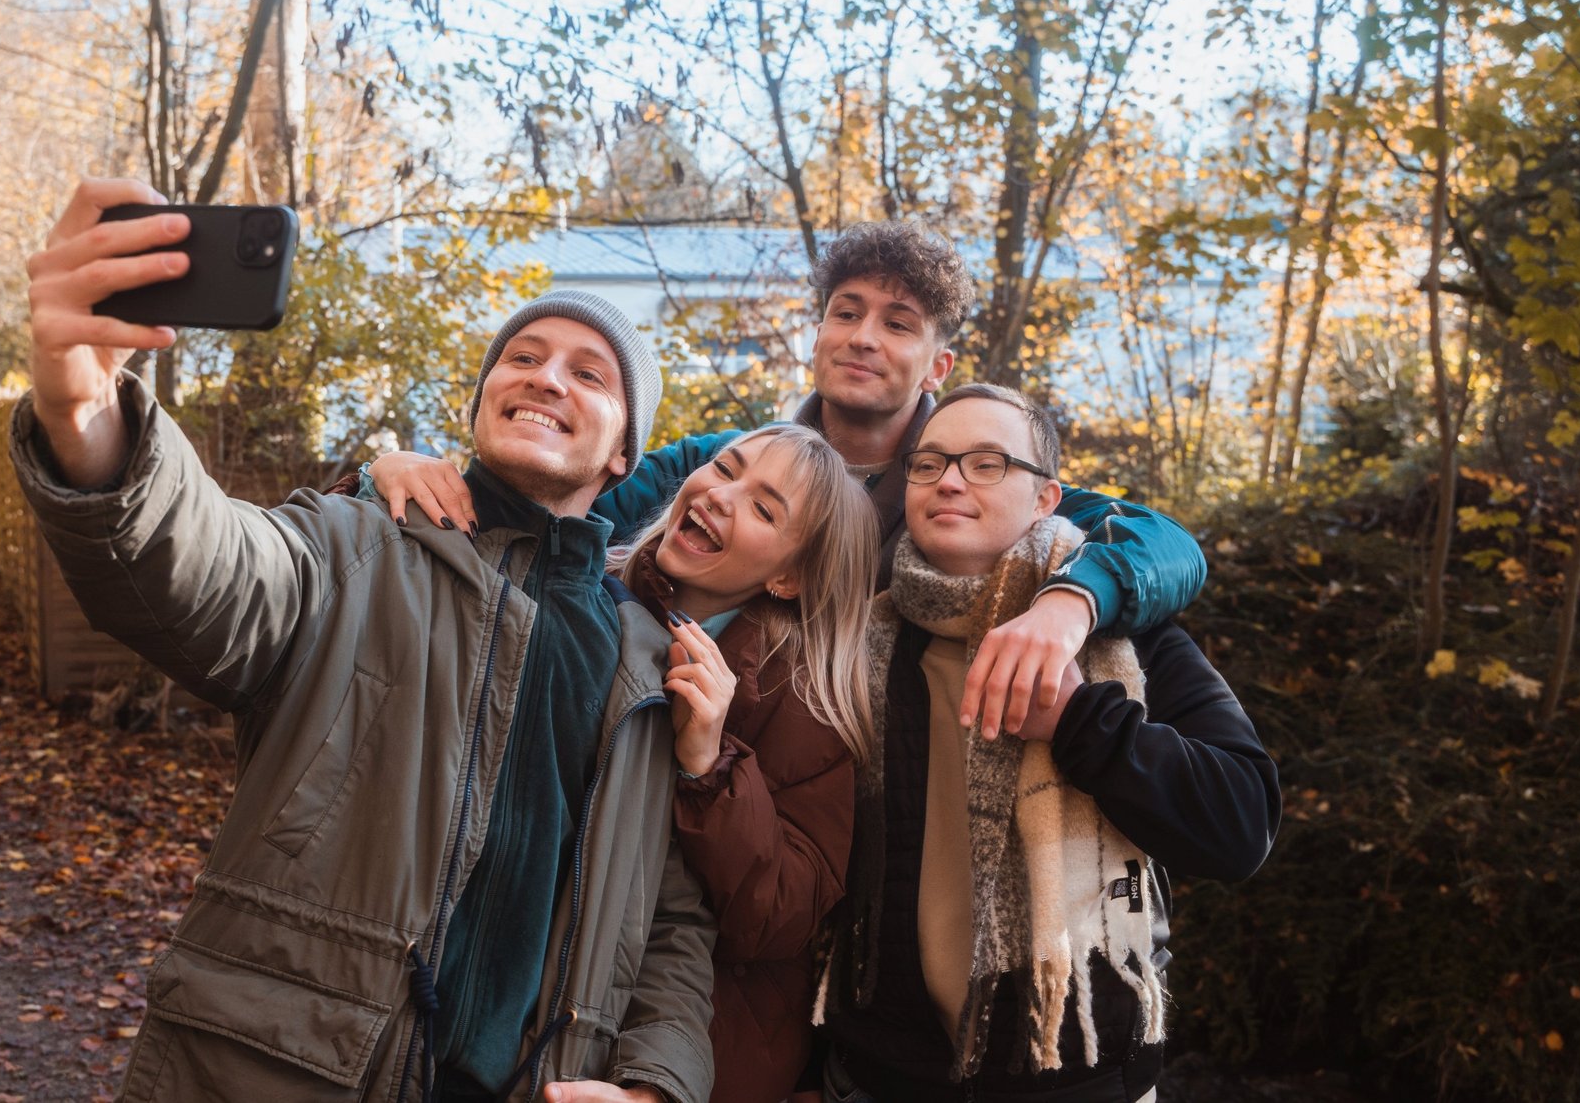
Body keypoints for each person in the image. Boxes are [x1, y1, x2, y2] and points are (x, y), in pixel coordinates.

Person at [12, 179, 714, 1103]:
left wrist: (658, 1084)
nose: (546, 377)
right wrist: (88, 412)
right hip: (288, 1071)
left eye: (590, 373)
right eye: (524, 356)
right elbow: (206, 568)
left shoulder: (647, 664)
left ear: (626, 451)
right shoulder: (353, 548)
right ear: (480, 402)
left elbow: (668, 920)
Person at [366, 221, 1211, 746]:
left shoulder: (969, 489)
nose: (862, 336)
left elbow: (1166, 545)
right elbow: (557, 514)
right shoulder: (713, 466)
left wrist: (1072, 604)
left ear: (939, 365)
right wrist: (405, 473)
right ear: (816, 336)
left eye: (897, 322)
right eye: (845, 312)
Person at [814, 384, 1281, 1103]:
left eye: (988, 462)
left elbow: (1241, 824)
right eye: (930, 461)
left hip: (1079, 1075)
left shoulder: (1124, 638)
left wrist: (1079, 721)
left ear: (1046, 498)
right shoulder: (855, 638)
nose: (950, 478)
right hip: (881, 1073)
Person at [611, 424, 878, 1103]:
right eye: (724, 469)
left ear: (787, 576)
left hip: (701, 1051)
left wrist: (712, 764)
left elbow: (783, 913)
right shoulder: (592, 587)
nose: (721, 495)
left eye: (763, 508)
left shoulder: (806, 699)